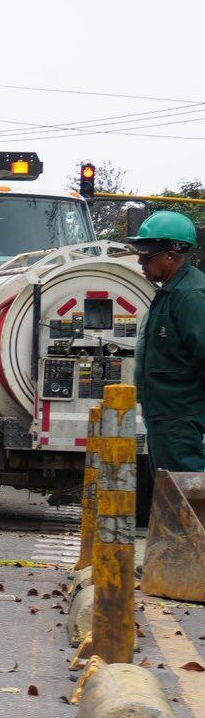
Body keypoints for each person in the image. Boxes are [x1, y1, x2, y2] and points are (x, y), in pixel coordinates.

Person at [132, 210, 205, 500]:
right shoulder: (170, 293)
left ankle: (192, 544)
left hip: (180, 414)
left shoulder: (190, 296)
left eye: (146, 257)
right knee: (172, 489)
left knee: (186, 490)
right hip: (167, 414)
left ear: (171, 256)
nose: (140, 262)